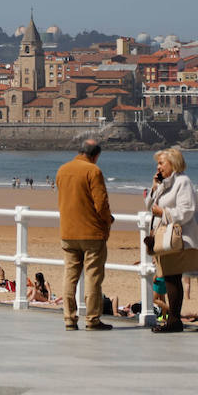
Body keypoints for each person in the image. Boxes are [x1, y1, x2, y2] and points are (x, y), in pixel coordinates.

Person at [56, 136, 114, 331]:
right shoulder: (93, 171)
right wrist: (108, 221)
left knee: (70, 277)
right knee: (93, 278)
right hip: (91, 234)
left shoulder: (62, 170)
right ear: (95, 155)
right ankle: (92, 319)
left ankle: (69, 319)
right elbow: (101, 204)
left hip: (68, 232)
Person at [148, 147, 198, 334]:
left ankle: (174, 320)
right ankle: (173, 319)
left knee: (172, 278)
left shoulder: (183, 182)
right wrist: (155, 187)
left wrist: (163, 213)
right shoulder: (166, 183)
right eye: (158, 163)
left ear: (173, 163)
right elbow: (149, 206)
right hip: (167, 239)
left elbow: (186, 211)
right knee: (170, 277)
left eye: (161, 163)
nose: (158, 167)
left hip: (180, 240)